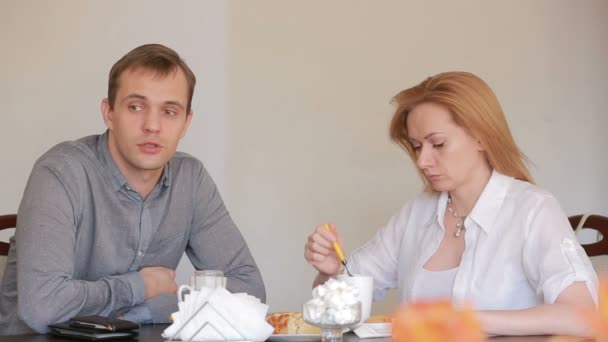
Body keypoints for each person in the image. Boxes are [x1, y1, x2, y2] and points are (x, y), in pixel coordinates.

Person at [304, 71, 598, 336]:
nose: (422, 161)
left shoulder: (532, 210)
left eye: (438, 144)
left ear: (482, 137)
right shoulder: (415, 214)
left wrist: (469, 321)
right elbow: (338, 312)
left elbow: (582, 316)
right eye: (417, 146)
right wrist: (331, 272)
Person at [0, 44, 265, 335]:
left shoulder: (191, 179)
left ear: (186, 123)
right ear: (109, 113)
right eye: (136, 107)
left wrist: (147, 309)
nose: (152, 125)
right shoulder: (60, 173)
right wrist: (143, 286)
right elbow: (43, 308)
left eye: (169, 111)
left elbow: (249, 290)